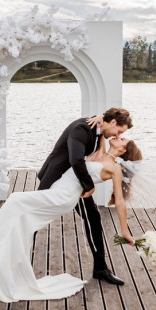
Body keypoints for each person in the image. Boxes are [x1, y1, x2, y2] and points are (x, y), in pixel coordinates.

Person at [0, 136, 142, 302]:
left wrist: (125, 231)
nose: (118, 136)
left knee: (16, 199)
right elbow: (100, 128)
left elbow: (119, 201)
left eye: (122, 139)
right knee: (22, 221)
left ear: (123, 150)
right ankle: (6, 265)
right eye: (119, 133)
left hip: (65, 196)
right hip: (57, 189)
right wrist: (100, 120)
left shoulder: (114, 168)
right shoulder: (100, 151)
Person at [37, 108, 133, 285]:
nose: (117, 136)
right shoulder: (82, 129)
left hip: (76, 182)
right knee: (34, 219)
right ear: (112, 123)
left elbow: (110, 118)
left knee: (93, 218)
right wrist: (89, 187)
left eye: (121, 135)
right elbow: (76, 160)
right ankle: (16, 254)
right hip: (58, 180)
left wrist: (101, 116)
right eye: (119, 131)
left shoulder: (100, 133)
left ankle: (100, 268)